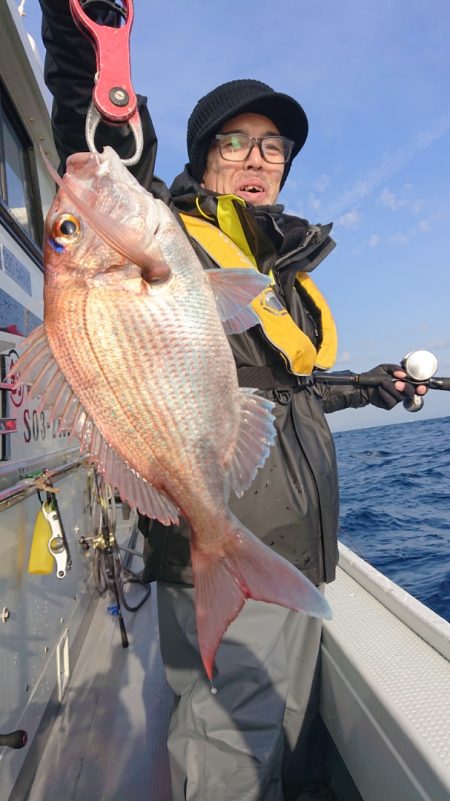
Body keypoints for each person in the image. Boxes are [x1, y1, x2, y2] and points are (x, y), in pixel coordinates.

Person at [39, 3, 427, 799]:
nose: (257, 157)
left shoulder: (278, 267)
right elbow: (99, 141)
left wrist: (378, 386)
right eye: (235, 141)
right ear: (201, 157)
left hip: (295, 546)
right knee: (229, 755)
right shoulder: (163, 231)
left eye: (273, 145)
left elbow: (289, 385)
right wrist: (88, 33)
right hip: (222, 530)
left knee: (279, 735)